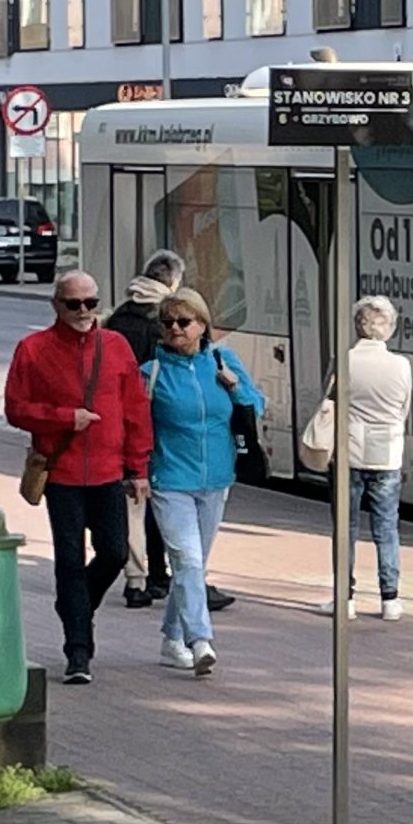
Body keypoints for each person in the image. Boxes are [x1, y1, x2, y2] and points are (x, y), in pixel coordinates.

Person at [4, 271, 154, 686]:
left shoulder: (117, 347)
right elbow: (16, 409)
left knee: (114, 553)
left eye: (92, 302)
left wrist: (138, 468)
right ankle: (78, 650)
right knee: (69, 559)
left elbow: (135, 411)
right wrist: (66, 418)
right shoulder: (33, 349)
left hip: (108, 472)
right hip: (63, 473)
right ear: (56, 304)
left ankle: (75, 605)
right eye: (74, 304)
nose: (84, 312)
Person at [104, 249, 235, 615]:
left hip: (125, 430)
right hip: (159, 440)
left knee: (134, 509)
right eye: (171, 323)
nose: (174, 327)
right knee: (165, 515)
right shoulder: (163, 320)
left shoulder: (117, 317)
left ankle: (137, 580)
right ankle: (175, 584)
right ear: (173, 283)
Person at [141, 287, 263, 675]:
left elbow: (256, 405)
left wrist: (235, 387)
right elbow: (136, 425)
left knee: (192, 565)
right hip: (170, 478)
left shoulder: (222, 360)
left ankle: (171, 638)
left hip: (217, 477)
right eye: (167, 323)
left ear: (202, 324)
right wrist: (136, 471)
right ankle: (200, 639)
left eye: (183, 321)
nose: (175, 329)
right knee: (188, 561)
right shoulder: (151, 373)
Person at [319, 294, 413, 620]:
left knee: (346, 527)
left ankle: (345, 599)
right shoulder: (401, 366)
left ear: (358, 326)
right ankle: (390, 599)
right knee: (386, 528)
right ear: (388, 328)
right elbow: (403, 409)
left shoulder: (344, 360)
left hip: (349, 451)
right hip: (387, 453)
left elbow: (329, 402)